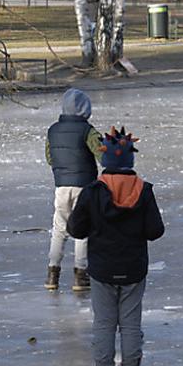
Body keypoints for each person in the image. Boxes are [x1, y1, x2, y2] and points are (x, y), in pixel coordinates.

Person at [67, 127, 165, 366]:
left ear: (104, 161)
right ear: (130, 162)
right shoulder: (144, 191)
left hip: (102, 269)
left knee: (104, 325)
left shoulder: (92, 191)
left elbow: (75, 229)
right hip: (133, 268)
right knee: (131, 326)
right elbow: (155, 230)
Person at [45, 88, 103, 291]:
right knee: (82, 229)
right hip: (84, 186)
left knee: (59, 229)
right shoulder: (88, 131)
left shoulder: (52, 130)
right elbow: (102, 155)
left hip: (61, 186)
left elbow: (49, 158)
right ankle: (80, 274)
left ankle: (52, 273)